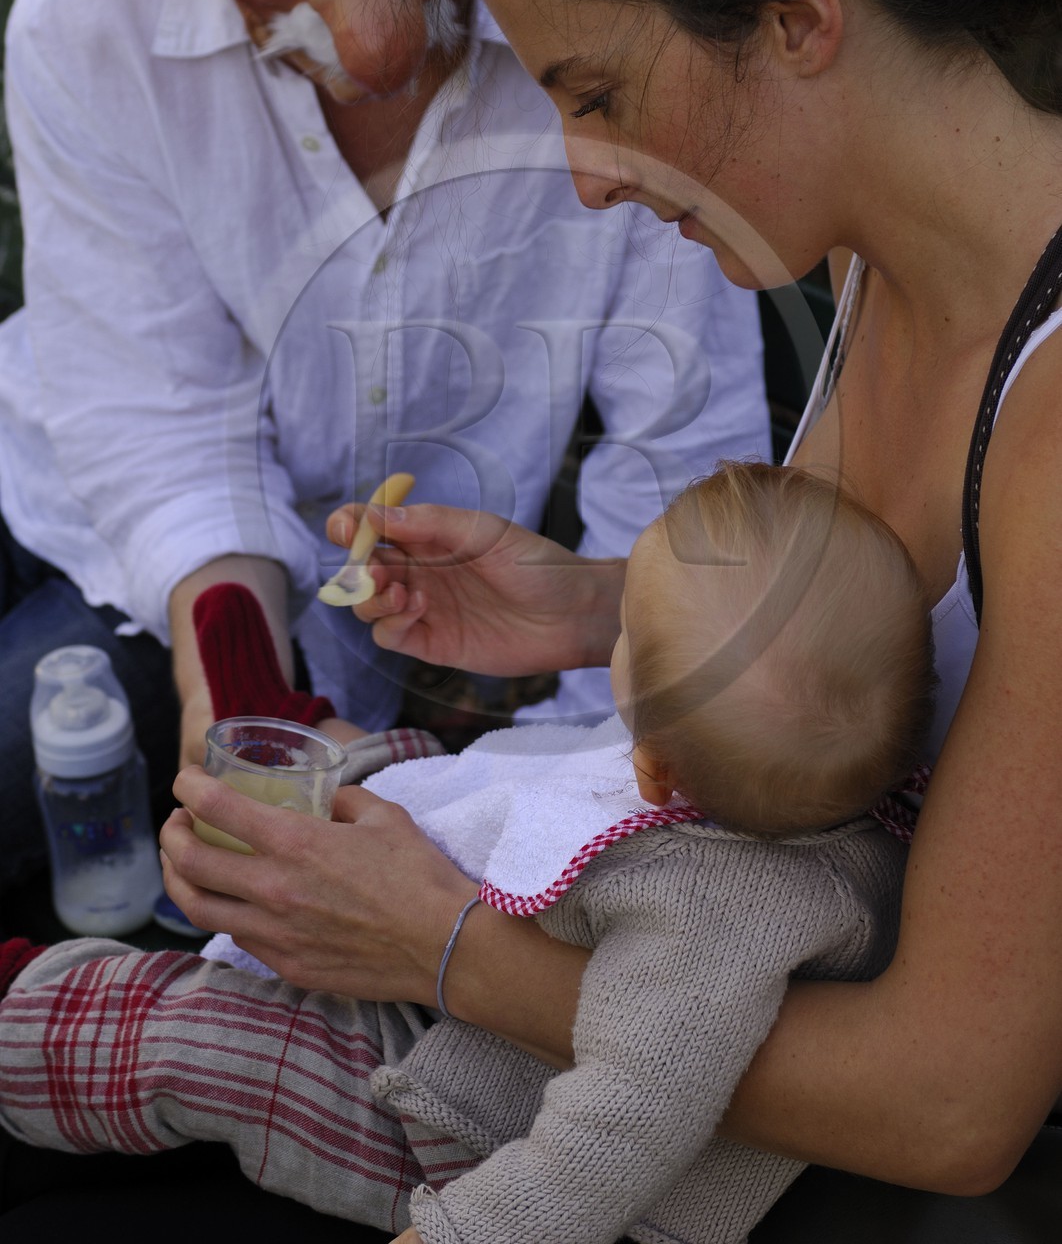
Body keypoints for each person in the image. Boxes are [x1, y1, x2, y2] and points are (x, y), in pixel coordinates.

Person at [155, 0, 1062, 1207]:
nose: (582, 178)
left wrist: (439, 944)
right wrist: (598, 612)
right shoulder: (871, 258)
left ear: (794, 15)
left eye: (597, 93)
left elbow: (950, 1106)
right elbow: (875, 672)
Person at [0, 0, 770, 893]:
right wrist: (239, 693)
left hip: (459, 615)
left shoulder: (615, 28)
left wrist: (568, 791)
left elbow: (682, 455)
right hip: (111, 542)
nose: (375, 37)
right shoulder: (91, 27)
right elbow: (158, 422)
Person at [0, 463, 931, 1244]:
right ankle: (303, 733)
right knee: (461, 774)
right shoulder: (783, 785)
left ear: (653, 770)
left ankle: (26, 1014)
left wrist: (458, 1235)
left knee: (201, 1036)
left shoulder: (713, 921)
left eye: (624, 630)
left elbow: (618, 1132)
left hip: (451, 1116)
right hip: (486, 1001)